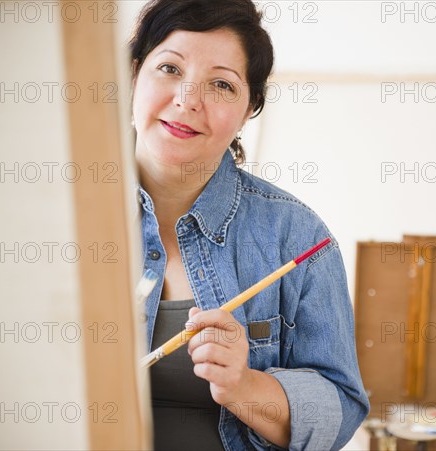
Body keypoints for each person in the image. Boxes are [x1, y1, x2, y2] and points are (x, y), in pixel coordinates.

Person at [129, 0, 370, 449]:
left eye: (221, 84)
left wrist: (244, 386)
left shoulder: (298, 236)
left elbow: (340, 410)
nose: (187, 100)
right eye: (169, 68)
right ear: (134, 74)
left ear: (248, 110)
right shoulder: (54, 217)